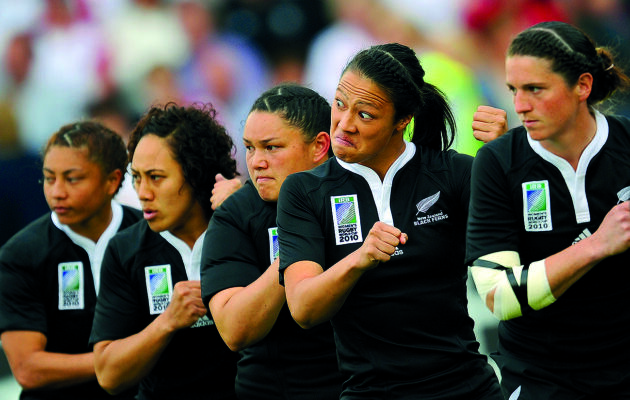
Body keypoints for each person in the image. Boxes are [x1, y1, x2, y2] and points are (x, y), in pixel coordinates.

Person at [276, 42, 502, 399]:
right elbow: (303, 308)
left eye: (365, 115)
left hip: (466, 387)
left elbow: (531, 251)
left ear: (402, 121)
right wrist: (359, 259)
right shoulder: (305, 190)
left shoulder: (454, 173)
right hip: (371, 393)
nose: (344, 124)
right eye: (339, 104)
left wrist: (507, 162)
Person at [466, 21, 630, 400]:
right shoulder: (497, 162)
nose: (520, 105)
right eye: (514, 90)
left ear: (582, 87)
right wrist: (596, 245)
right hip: (544, 376)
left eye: (535, 90)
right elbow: (499, 295)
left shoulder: (625, 145)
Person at [200, 83, 343, 399]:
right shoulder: (235, 215)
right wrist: (296, 247)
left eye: (271, 147)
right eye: (250, 148)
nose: (256, 162)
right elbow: (235, 331)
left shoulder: (355, 196)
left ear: (320, 146)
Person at [90, 103, 240, 400]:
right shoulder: (125, 250)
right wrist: (167, 321)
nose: (142, 192)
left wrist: (247, 211)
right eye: (137, 177)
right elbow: (108, 374)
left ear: (196, 173)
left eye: (156, 177)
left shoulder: (244, 228)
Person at [0, 121, 141, 400]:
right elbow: (28, 369)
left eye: (72, 178)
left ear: (112, 180)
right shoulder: (20, 254)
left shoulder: (150, 237)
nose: (57, 192)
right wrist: (123, 361)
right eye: (49, 178)